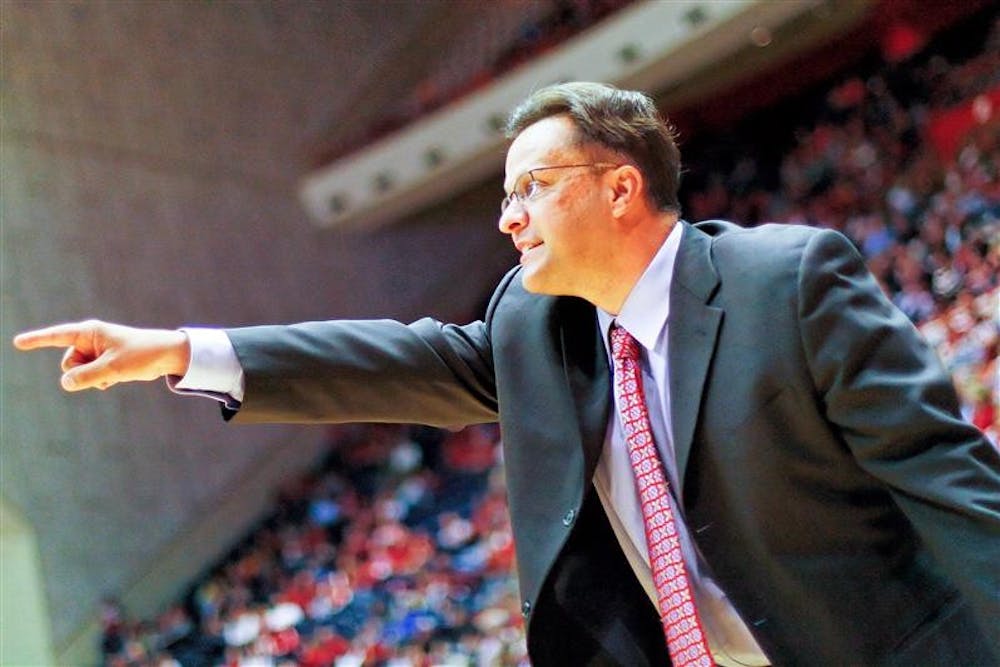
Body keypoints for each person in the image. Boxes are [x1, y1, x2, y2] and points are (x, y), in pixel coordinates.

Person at [14, 82, 1000, 666]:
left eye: (531, 186)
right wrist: (186, 350)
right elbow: (409, 360)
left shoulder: (787, 278)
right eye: (502, 195)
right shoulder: (531, 321)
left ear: (621, 188)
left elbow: (947, 478)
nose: (507, 217)